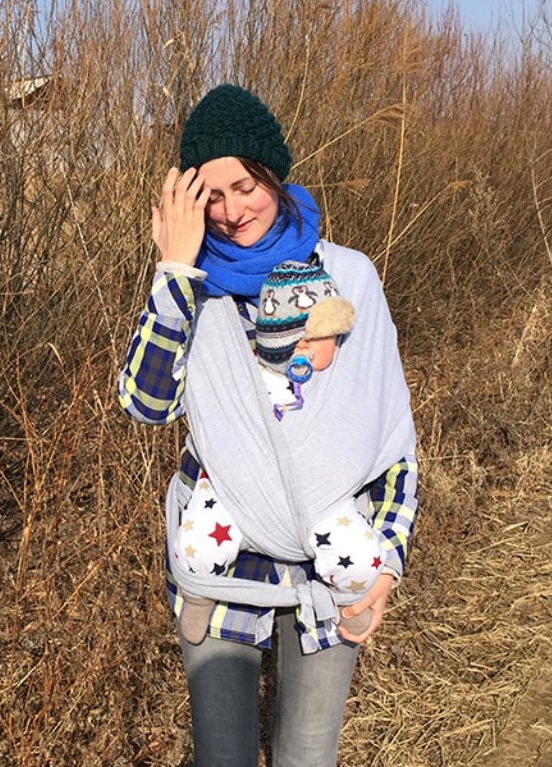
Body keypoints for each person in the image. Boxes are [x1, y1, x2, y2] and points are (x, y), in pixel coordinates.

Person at [117, 84, 418, 767]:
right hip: (224, 568)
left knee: (307, 758)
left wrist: (389, 559)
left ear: (275, 178)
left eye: (244, 186)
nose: (230, 213)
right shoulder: (193, 291)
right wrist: (173, 270)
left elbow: (392, 437)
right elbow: (145, 403)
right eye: (210, 197)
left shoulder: (349, 277)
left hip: (328, 572)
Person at [173, 262, 386, 645]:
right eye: (327, 337)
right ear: (297, 342)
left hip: (318, 495)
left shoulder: (337, 382)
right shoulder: (244, 375)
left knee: (359, 555)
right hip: (235, 487)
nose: (335, 345)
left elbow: (359, 428)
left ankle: (349, 600)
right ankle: (197, 594)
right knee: (198, 542)